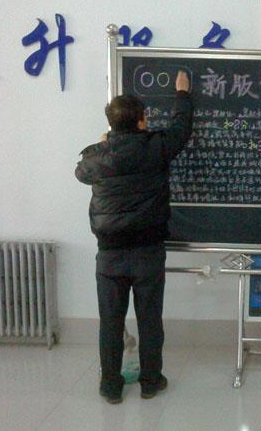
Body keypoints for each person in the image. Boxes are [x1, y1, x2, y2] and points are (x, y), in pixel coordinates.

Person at [75, 71, 193, 404]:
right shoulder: (156, 147)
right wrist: (182, 94)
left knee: (110, 322)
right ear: (142, 121)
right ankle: (151, 381)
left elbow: (80, 171)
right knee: (150, 320)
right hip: (148, 251)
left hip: (109, 254)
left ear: (111, 124)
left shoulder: (97, 158)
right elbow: (181, 129)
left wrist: (103, 144)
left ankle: (110, 385)